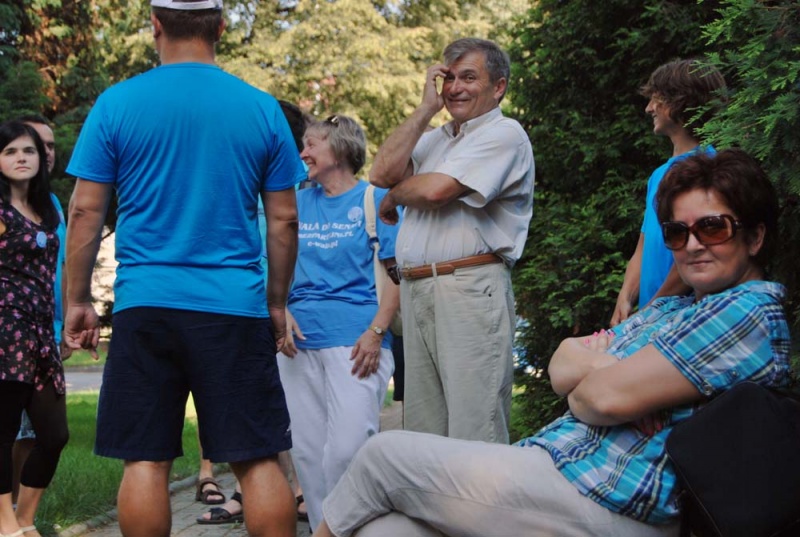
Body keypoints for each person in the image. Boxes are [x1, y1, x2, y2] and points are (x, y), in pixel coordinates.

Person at [311, 148, 790, 537]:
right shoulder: (673, 307)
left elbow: (594, 397)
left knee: (384, 457)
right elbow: (563, 364)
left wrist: (605, 378)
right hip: (560, 472)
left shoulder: (752, 308)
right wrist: (616, 381)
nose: (692, 244)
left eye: (713, 227)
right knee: (390, 531)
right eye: (677, 232)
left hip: (616, 500)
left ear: (754, 237)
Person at [63, 1, 305, 536]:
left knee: (146, 459)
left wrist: (77, 301)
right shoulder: (261, 108)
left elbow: (84, 210)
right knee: (258, 456)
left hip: (145, 302)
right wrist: (276, 302)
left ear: (154, 24)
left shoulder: (116, 103)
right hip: (233, 305)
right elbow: (284, 219)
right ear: (220, 27)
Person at [370, 37, 535, 444]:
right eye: (449, 78)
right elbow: (381, 171)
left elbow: (436, 190)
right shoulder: (436, 137)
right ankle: (435, 510)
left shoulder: (504, 133)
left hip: (468, 289)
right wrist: (426, 108)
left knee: (474, 430)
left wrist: (394, 195)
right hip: (418, 290)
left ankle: (483, 509)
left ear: (498, 86)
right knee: (425, 436)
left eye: (469, 77)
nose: (456, 87)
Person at [276, 115, 399, 531]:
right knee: (308, 454)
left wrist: (377, 331)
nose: (303, 153)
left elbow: (398, 273)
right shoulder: (293, 200)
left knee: (347, 450)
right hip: (296, 344)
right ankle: (321, 530)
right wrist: (280, 307)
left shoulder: (375, 199)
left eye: (311, 145)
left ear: (340, 148)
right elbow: (270, 261)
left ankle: (351, 528)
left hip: (356, 342)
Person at [196, 99, 309, 525]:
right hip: (241, 305)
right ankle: (244, 490)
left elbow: (292, 240)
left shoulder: (295, 187)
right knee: (247, 417)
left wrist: (283, 303)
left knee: (270, 416)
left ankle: (295, 488)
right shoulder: (238, 179)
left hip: (277, 307)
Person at [611, 58, 727, 326]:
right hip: (652, 319)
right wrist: (625, 298)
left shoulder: (709, 168)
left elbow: (694, 249)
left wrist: (650, 312)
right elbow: (643, 247)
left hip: (683, 319)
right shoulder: (658, 175)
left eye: (656, 99)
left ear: (680, 101)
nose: (649, 108)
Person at [0, 120, 69, 537]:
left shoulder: (46, 210)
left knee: (54, 434)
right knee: (2, 434)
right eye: (9, 151)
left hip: (41, 337)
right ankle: (7, 524)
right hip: (4, 335)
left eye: (27, 150)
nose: (21, 157)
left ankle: (24, 520)